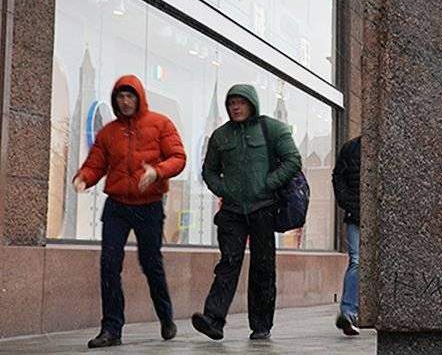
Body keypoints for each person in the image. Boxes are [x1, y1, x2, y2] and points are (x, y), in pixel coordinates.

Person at [73, 75, 186, 349]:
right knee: (109, 264)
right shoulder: (108, 132)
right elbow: (95, 164)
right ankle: (111, 328)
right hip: (117, 206)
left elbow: (178, 157)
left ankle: (166, 317)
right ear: (115, 100)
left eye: (130, 96)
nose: (125, 101)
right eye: (120, 97)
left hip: (149, 205)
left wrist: (156, 172)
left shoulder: (160, 124)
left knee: (151, 263)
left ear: (139, 98)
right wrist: (83, 178)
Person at [192, 84, 301, 341]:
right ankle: (213, 320)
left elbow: (293, 160)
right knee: (228, 263)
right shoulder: (220, 136)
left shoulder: (271, 129)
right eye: (232, 103)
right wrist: (223, 189)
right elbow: (209, 171)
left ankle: (261, 325)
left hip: (263, 208)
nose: (236, 107)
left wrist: (269, 183)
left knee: (263, 267)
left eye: (240, 103)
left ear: (251, 104)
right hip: (232, 211)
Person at [333, 136, 361, 336]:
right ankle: (348, 313)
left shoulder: (395, 143)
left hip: (387, 216)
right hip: (356, 214)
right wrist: (348, 203)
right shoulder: (351, 147)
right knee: (356, 260)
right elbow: (338, 177)